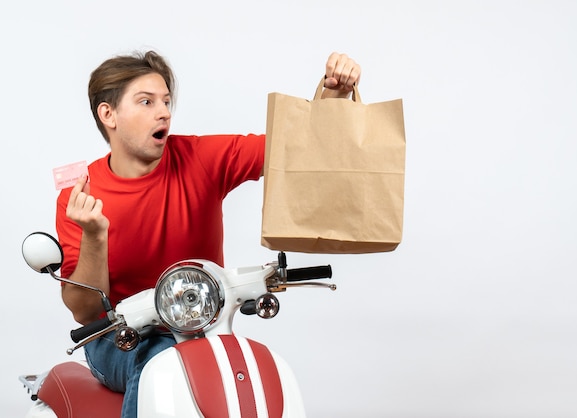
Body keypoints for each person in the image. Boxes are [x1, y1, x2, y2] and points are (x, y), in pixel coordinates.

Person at [55, 49, 361, 418]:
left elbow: (291, 149)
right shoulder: (82, 197)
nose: (164, 111)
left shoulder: (199, 157)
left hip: (203, 326)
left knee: (247, 369)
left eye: (166, 101)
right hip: (120, 339)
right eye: (146, 101)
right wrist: (94, 236)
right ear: (109, 115)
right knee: (159, 362)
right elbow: (85, 312)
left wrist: (333, 94)